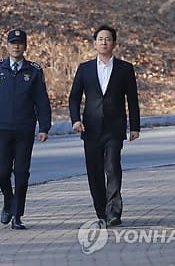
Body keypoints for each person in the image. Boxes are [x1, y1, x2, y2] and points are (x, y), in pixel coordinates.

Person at [0, 29, 52, 230]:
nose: (16, 46)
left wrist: (44, 126)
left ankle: (17, 215)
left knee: (21, 173)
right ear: (7, 45)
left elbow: (42, 101)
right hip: (3, 129)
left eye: (20, 43)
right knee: (3, 172)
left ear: (25, 46)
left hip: (25, 130)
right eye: (13, 43)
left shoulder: (34, 71)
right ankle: (8, 201)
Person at [68, 24, 140, 227]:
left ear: (114, 43)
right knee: (94, 172)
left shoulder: (125, 69)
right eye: (100, 39)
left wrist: (135, 127)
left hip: (114, 128)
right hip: (90, 128)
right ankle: (101, 210)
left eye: (108, 39)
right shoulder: (85, 69)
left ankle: (114, 212)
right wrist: (75, 120)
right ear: (94, 43)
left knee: (113, 169)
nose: (104, 42)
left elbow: (132, 100)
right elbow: (74, 98)